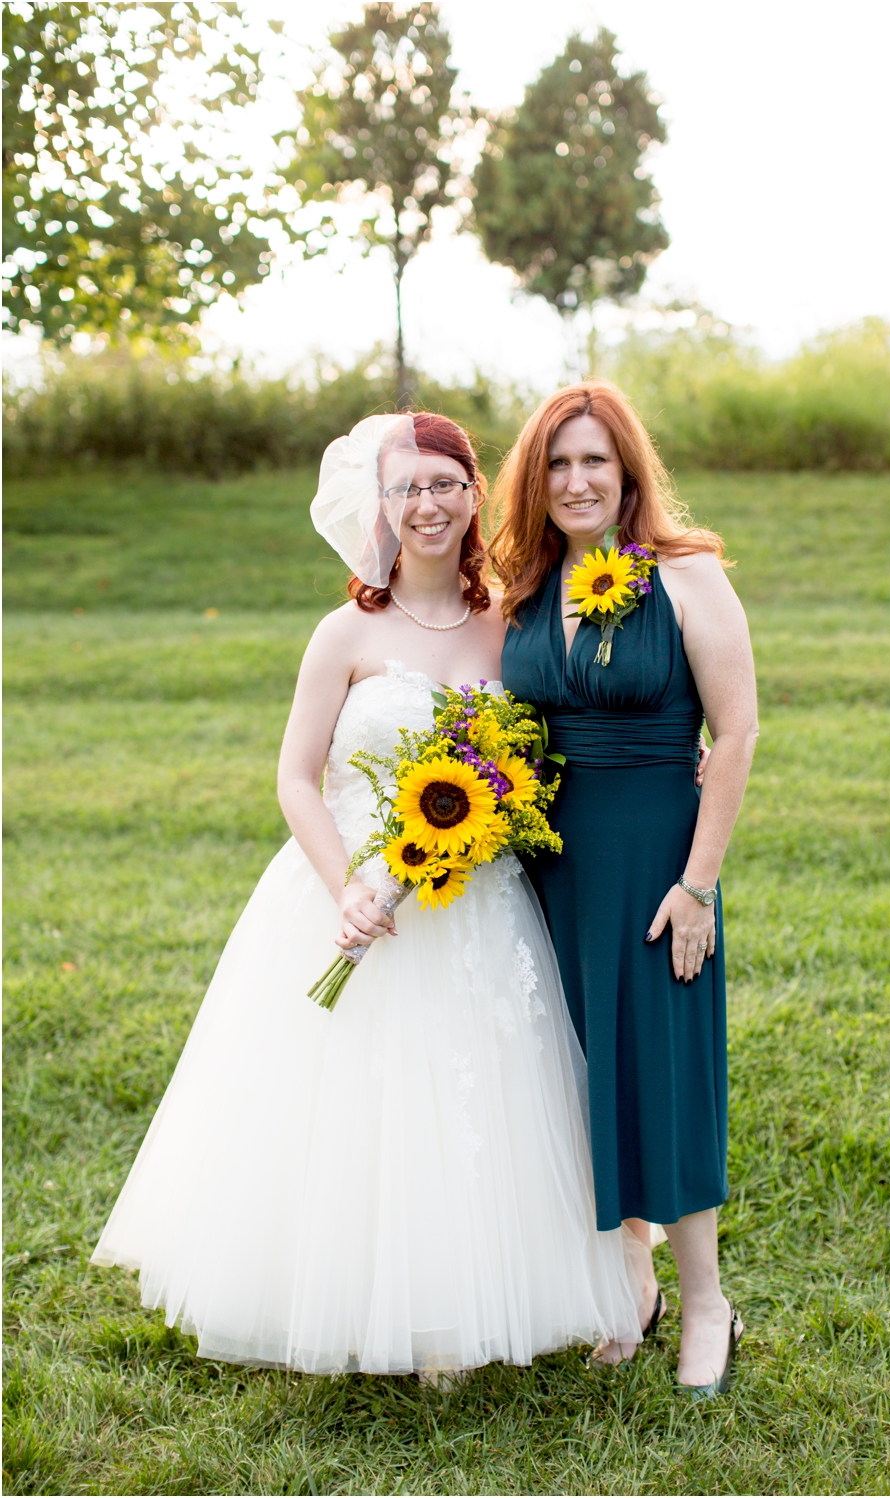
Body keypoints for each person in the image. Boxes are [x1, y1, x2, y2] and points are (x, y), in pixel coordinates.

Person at [91, 411, 651, 1381]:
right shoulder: (344, 630)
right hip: (349, 898)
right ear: (381, 506)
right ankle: (351, 1295)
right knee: (349, 1102)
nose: (426, 504)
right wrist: (347, 884)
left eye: (443, 483)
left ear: (474, 494)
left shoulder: (508, 627)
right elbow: (295, 777)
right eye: (406, 488)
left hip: (475, 906)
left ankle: (465, 1307)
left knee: (477, 1100)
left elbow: (549, 752)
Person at [495, 383, 759, 1397]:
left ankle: (707, 1301)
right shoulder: (521, 588)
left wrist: (698, 884)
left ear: (628, 471)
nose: (575, 481)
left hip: (658, 867)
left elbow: (733, 733)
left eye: (594, 460)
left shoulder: (686, 579)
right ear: (535, 481)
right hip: (548, 873)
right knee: (579, 1074)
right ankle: (627, 1282)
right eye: (556, 464)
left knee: (666, 1073)